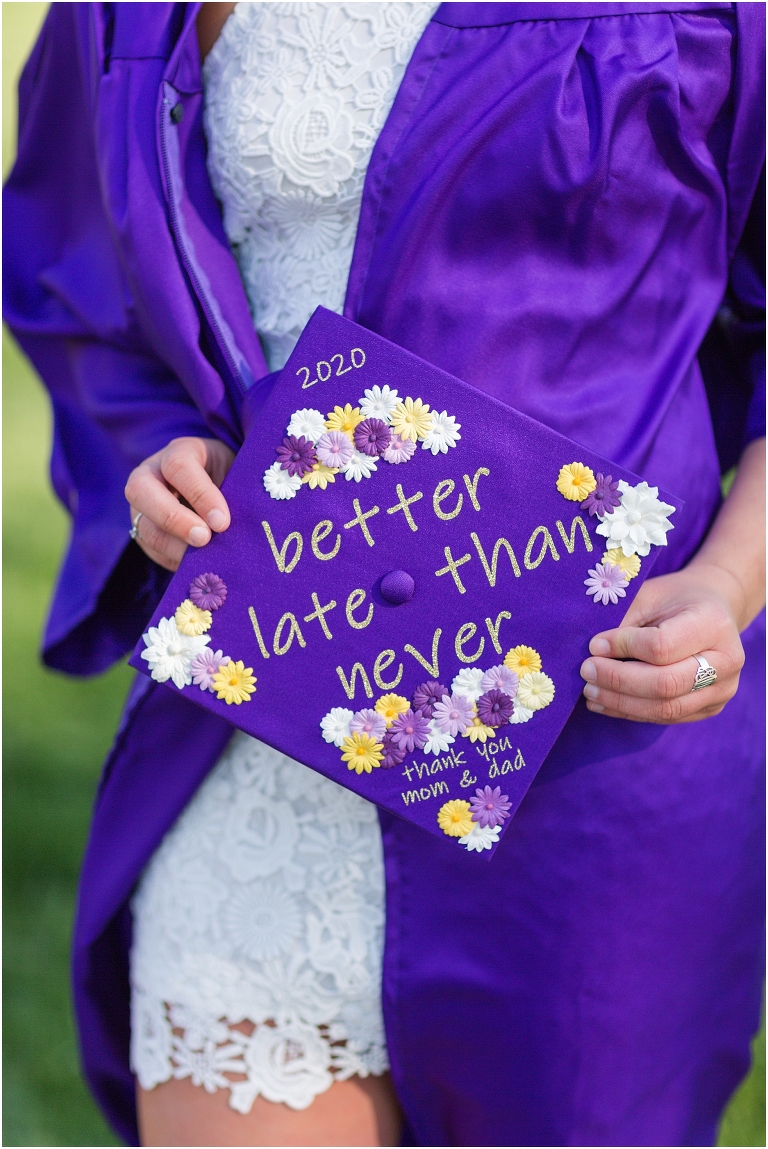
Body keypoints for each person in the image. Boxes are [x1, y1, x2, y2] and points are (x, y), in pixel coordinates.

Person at [3, 2, 764, 1146]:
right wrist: (157, 456)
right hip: (261, 734)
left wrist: (729, 583)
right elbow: (75, 270)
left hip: (586, 751)